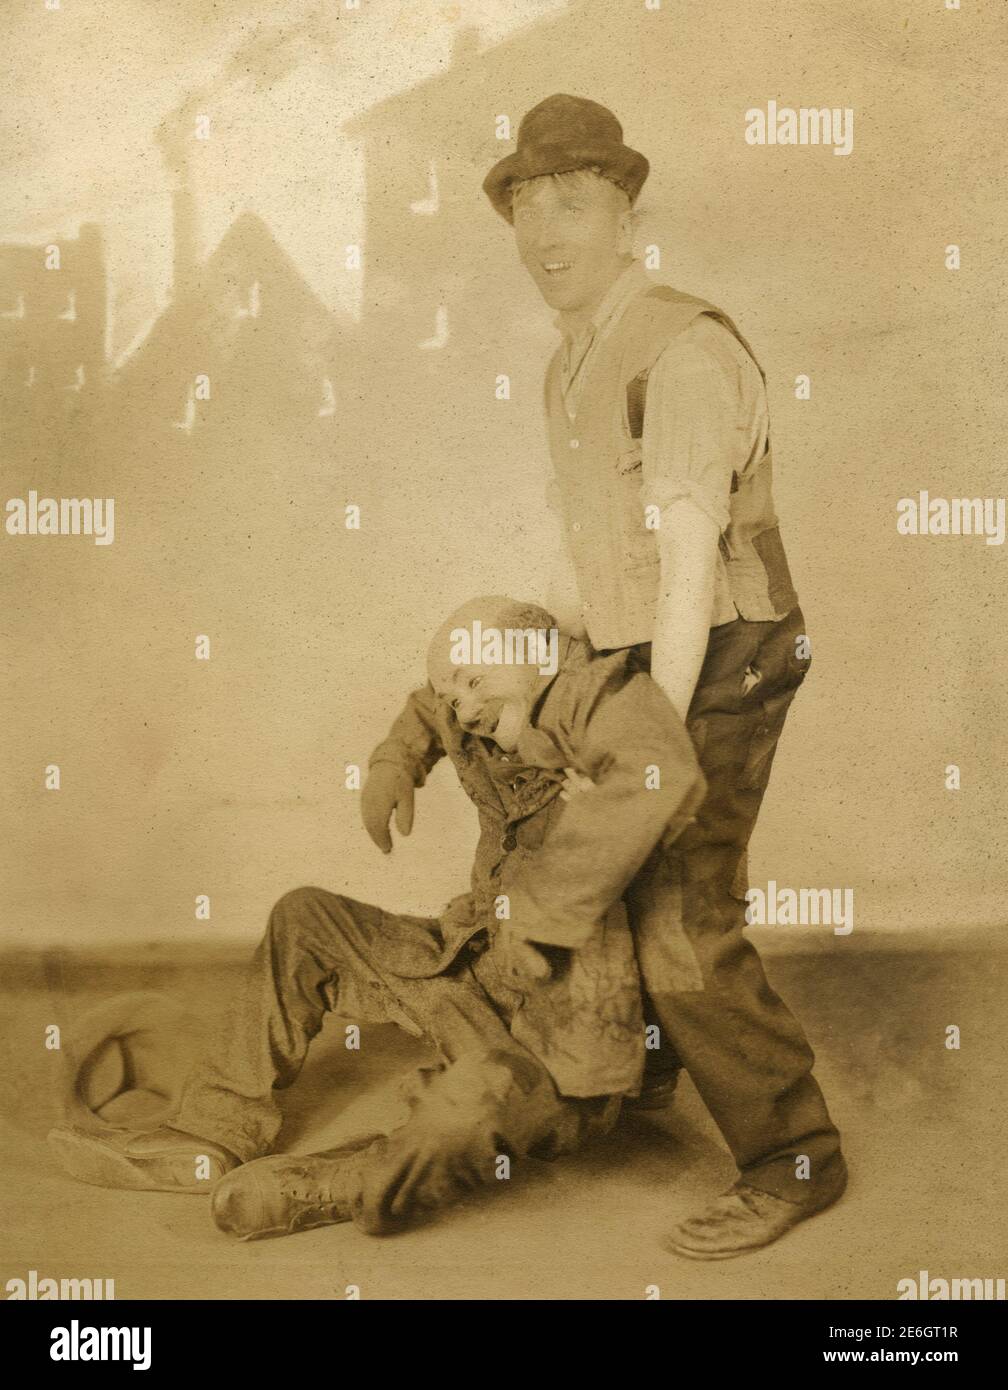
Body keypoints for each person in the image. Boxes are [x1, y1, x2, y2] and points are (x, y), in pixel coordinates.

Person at [474, 94, 847, 1257]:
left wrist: (655, 748)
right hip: (650, 645)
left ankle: (797, 1156)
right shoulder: (569, 362)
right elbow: (605, 556)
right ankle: (645, 1080)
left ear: (627, 214)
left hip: (727, 648)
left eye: (573, 204)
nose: (547, 236)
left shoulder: (682, 349)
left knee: (684, 909)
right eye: (528, 209)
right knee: (632, 884)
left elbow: (688, 573)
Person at [48, 594, 704, 1241]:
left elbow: (660, 772)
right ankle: (210, 1133)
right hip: (466, 971)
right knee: (304, 916)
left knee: (463, 1108)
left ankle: (342, 1184)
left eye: (476, 681)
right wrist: (394, 765)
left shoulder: (603, 709)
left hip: (558, 1041)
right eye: (457, 695)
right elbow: (429, 706)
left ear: (542, 654)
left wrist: (550, 912)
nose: (467, 708)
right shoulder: (476, 714)